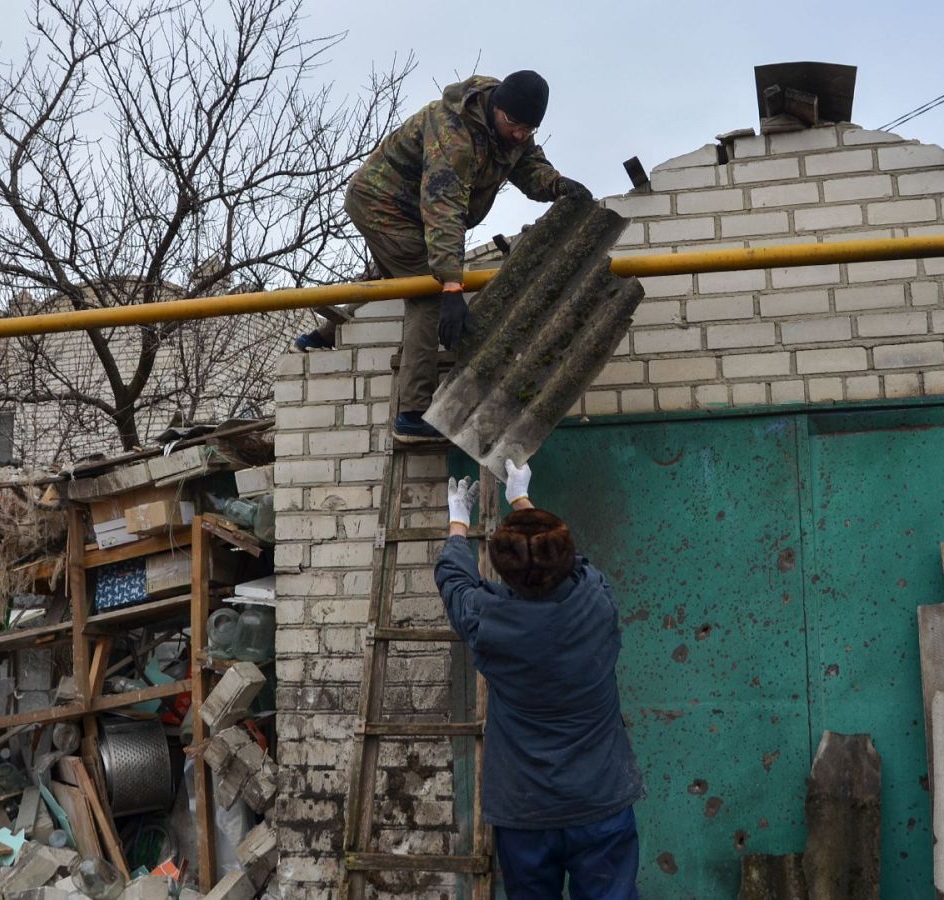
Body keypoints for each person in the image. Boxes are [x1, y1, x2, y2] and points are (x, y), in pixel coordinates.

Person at [293, 71, 592, 443]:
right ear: (497, 106)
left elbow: (530, 168)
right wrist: (451, 286)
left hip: (416, 212)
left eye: (528, 130)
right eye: (513, 125)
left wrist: (558, 185)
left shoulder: (514, 130)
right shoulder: (453, 134)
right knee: (426, 293)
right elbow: (444, 209)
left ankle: (324, 335)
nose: (519, 135)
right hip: (383, 204)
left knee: (396, 276)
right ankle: (412, 415)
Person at [437, 460, 643, 899]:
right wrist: (521, 499)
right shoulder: (597, 600)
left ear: (505, 572)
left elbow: (455, 583)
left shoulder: (488, 621)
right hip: (600, 800)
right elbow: (573, 561)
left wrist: (458, 521)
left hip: (526, 811)